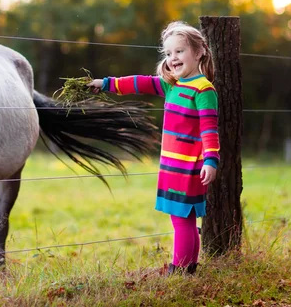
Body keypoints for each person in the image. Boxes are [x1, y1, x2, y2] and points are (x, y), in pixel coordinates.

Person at [87, 21, 220, 275]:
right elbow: (140, 83)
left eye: (179, 51)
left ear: (199, 51)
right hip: (173, 165)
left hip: (189, 167)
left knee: (181, 220)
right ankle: (188, 268)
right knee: (185, 219)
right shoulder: (173, 85)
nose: (173, 58)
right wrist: (106, 83)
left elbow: (209, 129)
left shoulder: (203, 90)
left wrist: (211, 160)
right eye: (169, 54)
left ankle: (179, 269)